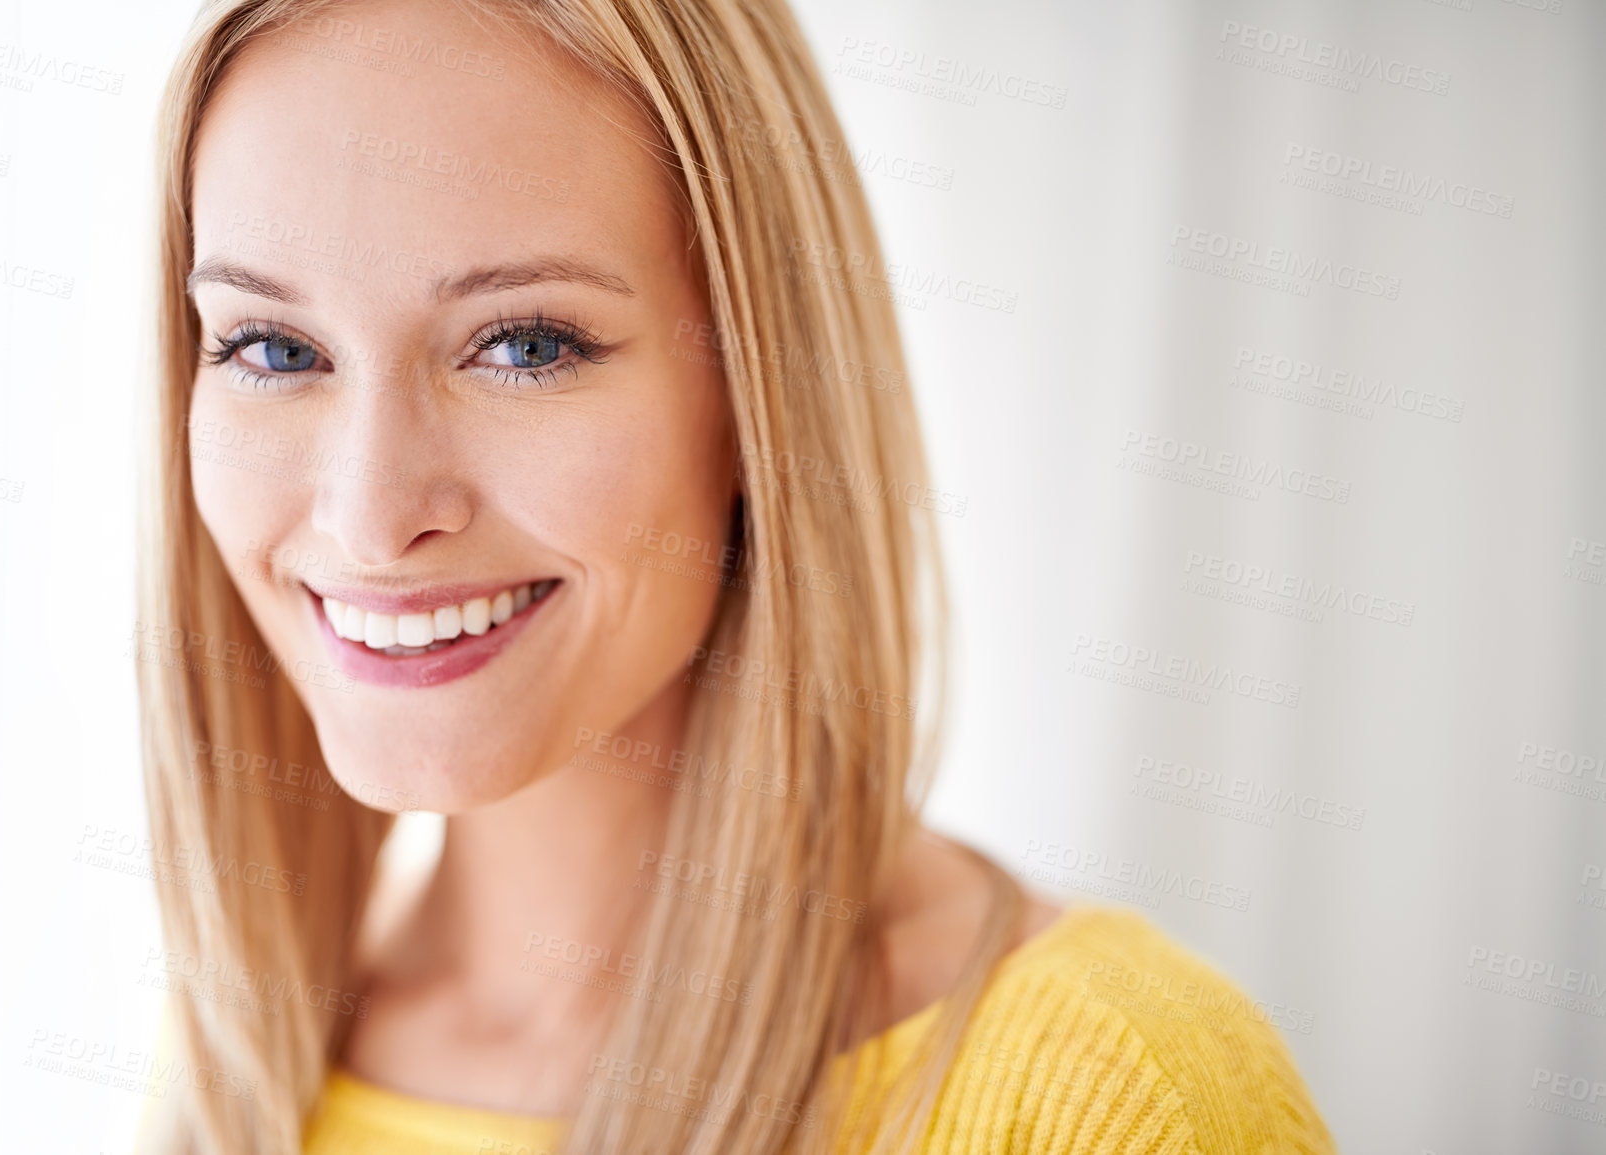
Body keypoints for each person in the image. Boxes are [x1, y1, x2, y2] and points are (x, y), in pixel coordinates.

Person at [137, 1, 1337, 1151]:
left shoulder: (1119, 1095)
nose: (371, 516)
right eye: (272, 348)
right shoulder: (245, 1074)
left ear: (758, 393)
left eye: (526, 345)